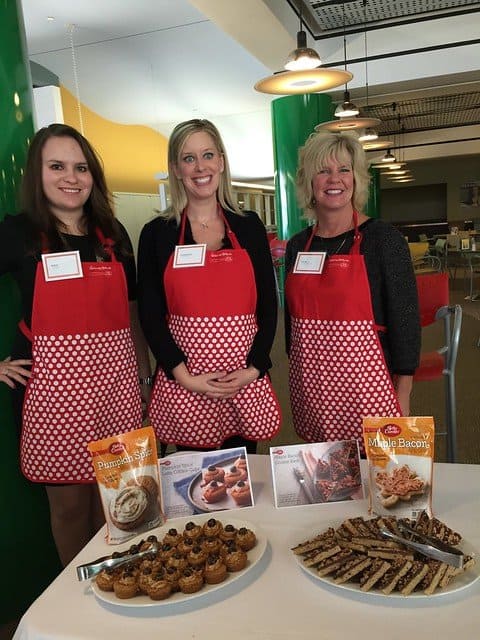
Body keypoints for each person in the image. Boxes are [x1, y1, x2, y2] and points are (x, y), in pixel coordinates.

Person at [0, 123, 151, 566]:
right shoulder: (19, 232)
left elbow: (132, 312)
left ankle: (121, 579)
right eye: (57, 166)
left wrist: (143, 378)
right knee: (68, 508)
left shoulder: (112, 232)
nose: (71, 177)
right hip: (52, 395)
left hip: (116, 390)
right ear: (37, 173)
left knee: (120, 499)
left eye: (81, 167)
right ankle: (81, 595)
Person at [137, 118, 281, 454]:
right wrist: (183, 375)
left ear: (221, 161)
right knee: (194, 488)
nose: (199, 167)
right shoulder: (158, 232)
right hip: (186, 384)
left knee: (243, 485)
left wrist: (255, 367)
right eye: (188, 158)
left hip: (241, 383)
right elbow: (150, 313)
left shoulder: (248, 226)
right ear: (175, 168)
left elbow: (267, 306)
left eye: (207, 155)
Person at [284, 131, 420, 451]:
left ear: (357, 179)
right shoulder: (297, 246)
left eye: (344, 170)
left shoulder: (383, 239)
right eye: (323, 170)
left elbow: (406, 319)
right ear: (309, 182)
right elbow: (292, 326)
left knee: (377, 481)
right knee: (331, 481)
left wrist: (403, 392)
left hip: (370, 388)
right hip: (314, 388)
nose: (335, 179)